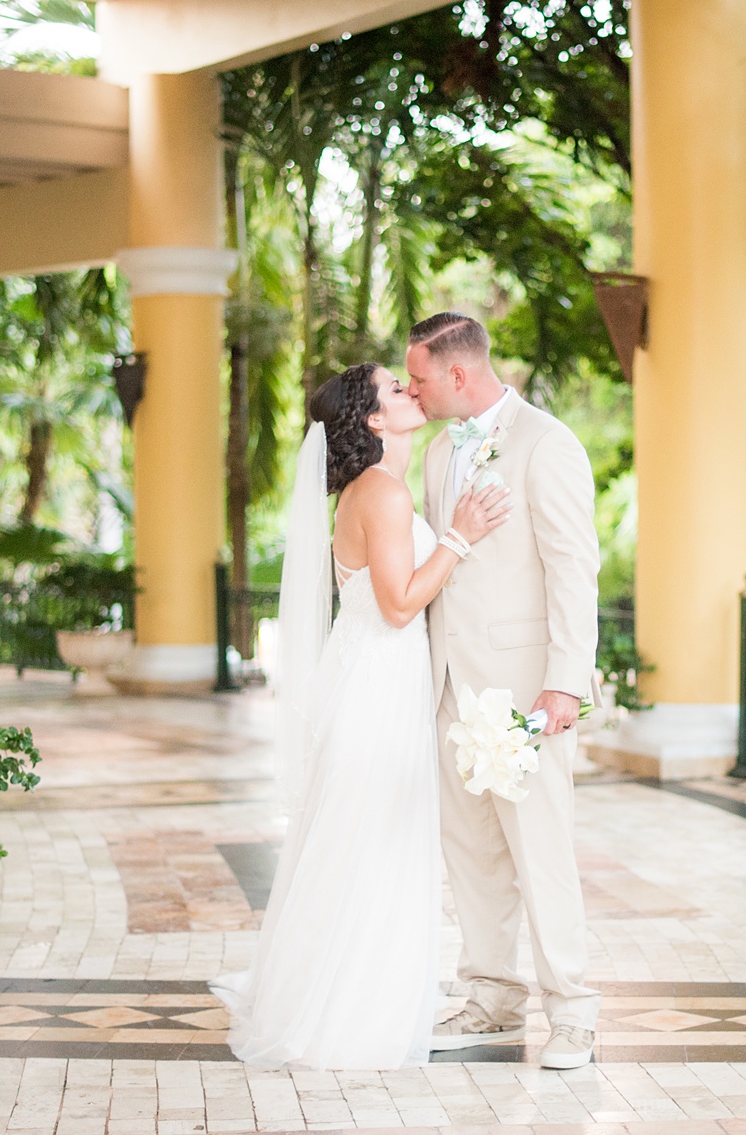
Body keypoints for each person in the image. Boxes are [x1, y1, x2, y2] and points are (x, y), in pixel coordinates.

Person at [211, 362, 511, 1070]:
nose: (412, 390)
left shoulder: (376, 488)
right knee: (371, 842)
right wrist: (460, 536)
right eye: (396, 388)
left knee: (365, 840)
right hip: (376, 686)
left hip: (376, 677)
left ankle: (358, 988)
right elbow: (402, 602)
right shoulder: (380, 492)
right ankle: (349, 1009)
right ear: (373, 419)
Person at [405, 312, 603, 1070]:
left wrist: (564, 683)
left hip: (526, 696)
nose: (414, 390)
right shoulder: (432, 456)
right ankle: (492, 993)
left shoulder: (547, 445)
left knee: (540, 849)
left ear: (459, 374)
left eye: (420, 377)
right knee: (473, 851)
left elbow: (572, 569)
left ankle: (574, 1013)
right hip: (450, 687)